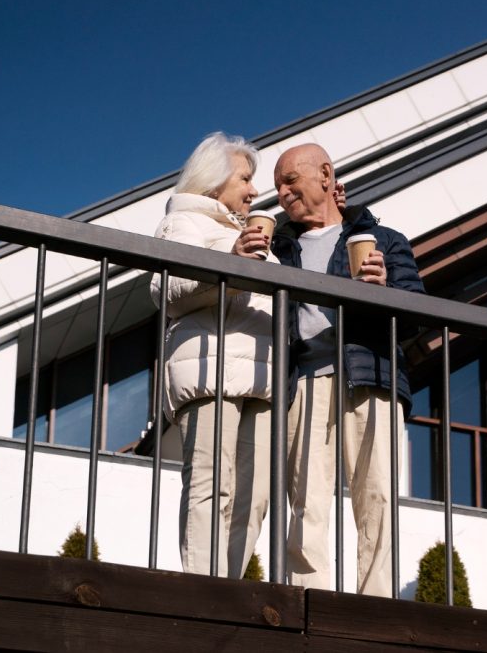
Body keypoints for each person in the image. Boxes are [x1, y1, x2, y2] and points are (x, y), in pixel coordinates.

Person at [271, 143, 424, 596]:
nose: (281, 193)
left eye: (289, 181)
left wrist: (384, 291)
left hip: (371, 376)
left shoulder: (383, 240)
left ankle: (376, 602)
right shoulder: (280, 247)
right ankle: (307, 598)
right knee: (306, 500)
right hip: (304, 381)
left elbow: (414, 314)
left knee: (376, 495)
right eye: (278, 186)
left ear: (324, 174)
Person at [149, 131, 276, 578]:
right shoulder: (182, 221)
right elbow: (166, 288)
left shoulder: (250, 234)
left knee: (256, 495)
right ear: (213, 182)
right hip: (210, 371)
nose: (254, 190)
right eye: (245, 178)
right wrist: (231, 258)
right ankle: (205, 588)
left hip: (261, 381)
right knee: (211, 484)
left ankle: (232, 587)